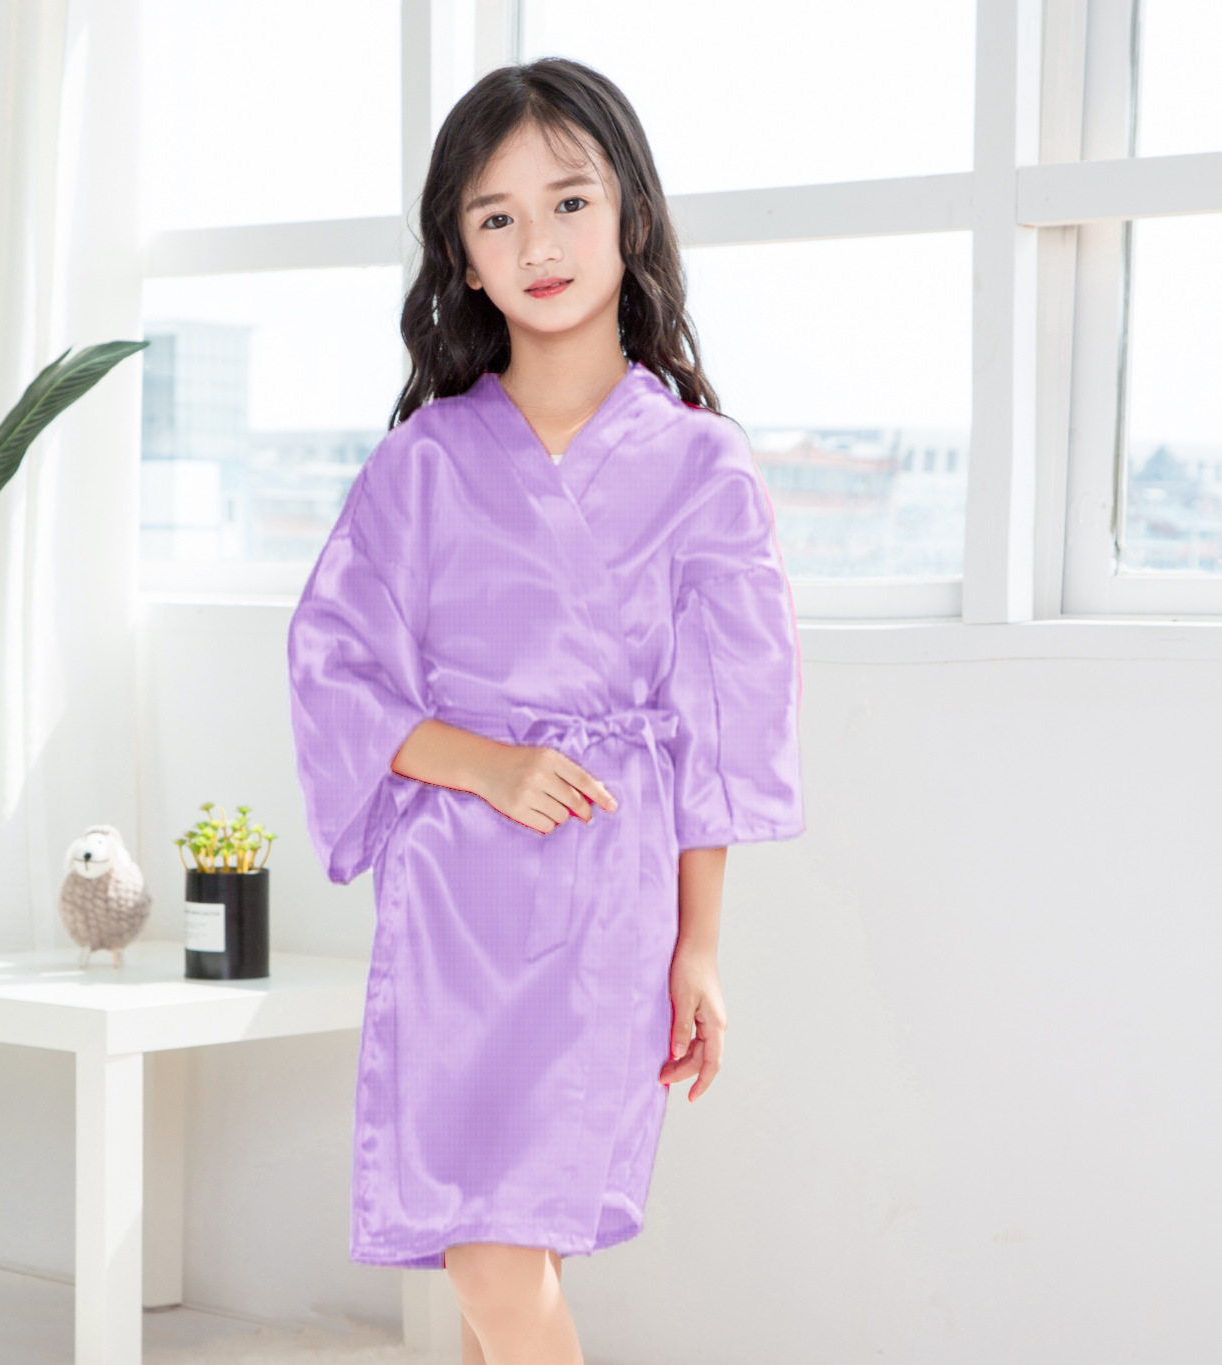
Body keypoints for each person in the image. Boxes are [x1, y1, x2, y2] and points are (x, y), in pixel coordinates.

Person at [287, 56, 804, 1365]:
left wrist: (699, 948)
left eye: (570, 202)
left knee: (515, 1247)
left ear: (630, 213)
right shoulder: (420, 463)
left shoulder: (703, 466)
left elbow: (723, 724)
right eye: (497, 217)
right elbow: (332, 662)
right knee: (486, 1242)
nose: (540, 244)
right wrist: (484, 764)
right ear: (462, 259)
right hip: (452, 900)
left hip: (611, 894)